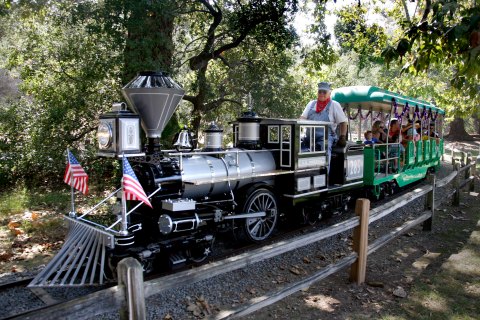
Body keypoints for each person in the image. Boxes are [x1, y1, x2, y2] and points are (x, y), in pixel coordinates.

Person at [300, 82, 348, 163]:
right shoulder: (311, 104)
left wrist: (342, 137)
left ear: (329, 93)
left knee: (325, 151)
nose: (321, 94)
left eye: (324, 92)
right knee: (298, 149)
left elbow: (343, 122)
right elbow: (302, 118)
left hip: (326, 137)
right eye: (320, 91)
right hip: (309, 137)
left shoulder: (334, 105)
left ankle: (325, 173)